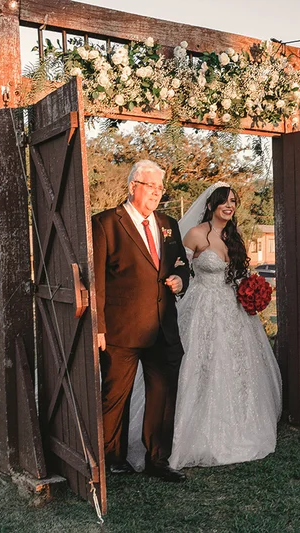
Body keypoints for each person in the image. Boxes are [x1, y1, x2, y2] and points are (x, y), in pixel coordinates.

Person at [167, 183, 282, 469]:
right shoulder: (195, 234)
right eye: (224, 201)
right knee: (202, 362)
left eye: (233, 201)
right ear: (211, 205)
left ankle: (239, 422)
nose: (229, 206)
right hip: (203, 304)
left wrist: (252, 288)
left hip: (234, 308)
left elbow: (241, 272)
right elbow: (178, 268)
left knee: (237, 365)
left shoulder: (234, 235)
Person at [92, 160, 190, 481]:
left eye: (161, 189)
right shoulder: (106, 224)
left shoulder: (168, 224)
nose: (158, 194)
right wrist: (98, 328)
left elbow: (180, 264)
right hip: (121, 329)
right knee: (115, 396)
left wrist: (179, 280)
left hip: (162, 327)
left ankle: (157, 461)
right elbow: (96, 283)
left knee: (162, 397)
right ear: (134, 185)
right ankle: (112, 459)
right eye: (152, 187)